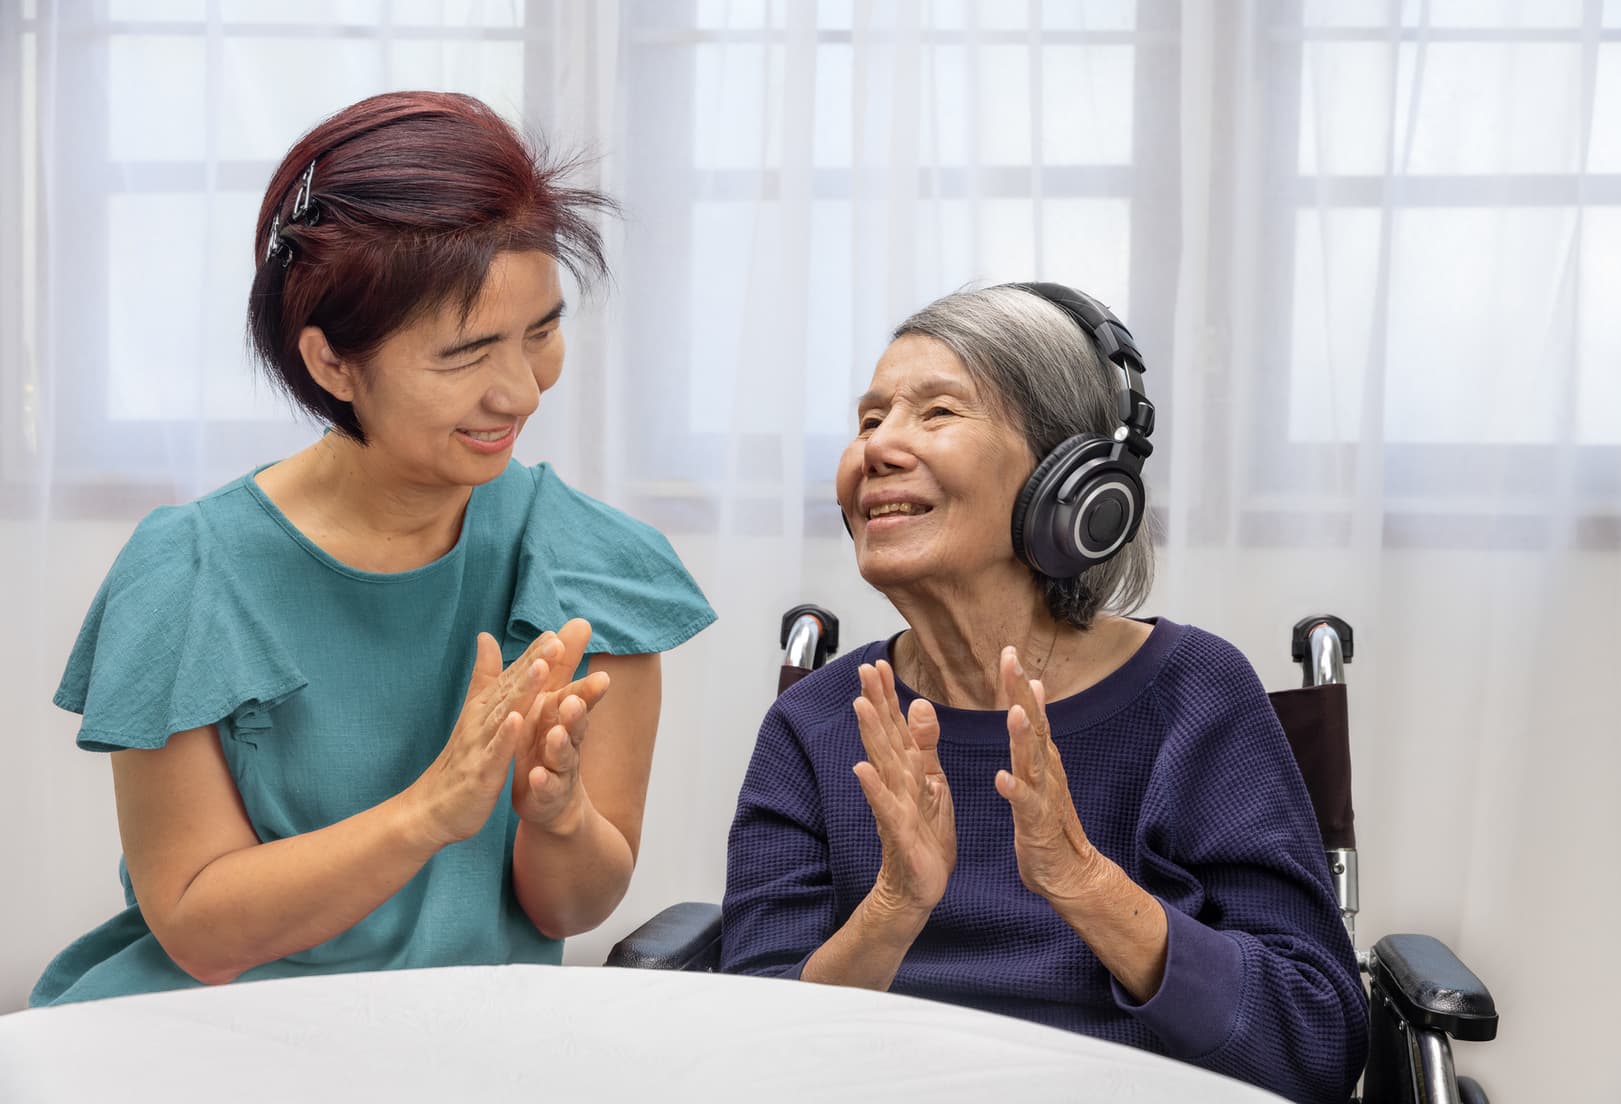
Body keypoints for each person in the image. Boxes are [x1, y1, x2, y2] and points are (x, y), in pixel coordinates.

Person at [31, 92, 714, 1007]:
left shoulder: (594, 564)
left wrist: (557, 817)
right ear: (331, 364)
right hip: (200, 1036)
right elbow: (200, 933)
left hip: (455, 1046)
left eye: (542, 333)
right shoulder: (189, 573)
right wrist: (432, 811)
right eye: (467, 354)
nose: (521, 391)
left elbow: (570, 910)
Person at [719, 283, 1368, 1102]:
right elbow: (750, 1047)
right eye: (869, 419)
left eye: (939, 413)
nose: (879, 447)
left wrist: (1084, 883)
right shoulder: (814, 725)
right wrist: (895, 906)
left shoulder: (1196, 697)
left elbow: (1315, 1043)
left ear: (1071, 478)